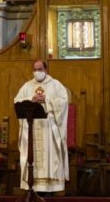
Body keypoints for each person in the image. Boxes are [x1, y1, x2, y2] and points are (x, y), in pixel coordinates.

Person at [13, 59, 69, 193]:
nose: (37, 72)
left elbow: (63, 101)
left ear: (46, 70)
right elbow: (17, 101)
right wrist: (31, 100)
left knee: (49, 155)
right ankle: (32, 186)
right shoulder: (27, 86)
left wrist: (47, 100)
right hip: (31, 126)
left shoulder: (55, 85)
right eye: (35, 69)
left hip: (48, 128)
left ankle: (50, 187)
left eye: (40, 69)